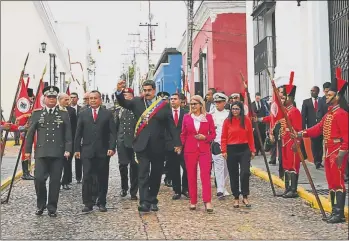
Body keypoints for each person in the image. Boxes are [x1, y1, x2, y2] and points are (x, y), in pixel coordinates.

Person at [115, 80, 180, 212]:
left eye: (149, 90)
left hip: (158, 146)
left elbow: (171, 126)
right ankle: (144, 202)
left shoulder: (163, 105)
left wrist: (177, 142)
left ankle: (152, 199)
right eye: (145, 90)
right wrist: (119, 91)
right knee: (142, 173)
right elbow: (123, 103)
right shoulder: (137, 102)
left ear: (154, 90)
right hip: (141, 145)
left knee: (156, 175)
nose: (147, 93)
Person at [294, 77, 348, 224]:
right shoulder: (328, 114)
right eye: (326, 95)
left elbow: (346, 136)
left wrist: (342, 153)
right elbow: (317, 129)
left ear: (337, 97)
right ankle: (334, 211)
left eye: (330, 95)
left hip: (336, 152)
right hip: (328, 152)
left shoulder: (342, 114)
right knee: (331, 182)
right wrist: (300, 133)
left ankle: (339, 213)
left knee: (338, 182)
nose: (326, 97)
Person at [25, 86, 72, 217]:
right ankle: (41, 205)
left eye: (53, 97)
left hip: (58, 153)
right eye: (49, 97)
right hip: (41, 152)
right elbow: (30, 133)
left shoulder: (63, 114)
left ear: (56, 99)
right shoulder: (37, 114)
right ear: (44, 99)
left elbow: (68, 134)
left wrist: (68, 149)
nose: (51, 99)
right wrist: (27, 151)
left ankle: (52, 207)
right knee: (39, 179)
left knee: (55, 181)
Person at [74, 90, 116, 213]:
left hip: (103, 151)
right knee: (87, 177)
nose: (92, 100)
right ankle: (88, 203)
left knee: (102, 177)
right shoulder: (83, 114)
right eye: (90, 98)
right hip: (87, 151)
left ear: (100, 100)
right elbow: (78, 133)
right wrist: (77, 149)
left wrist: (112, 147)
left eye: (95, 98)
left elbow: (112, 133)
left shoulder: (107, 114)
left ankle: (101, 202)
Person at [180, 95, 216, 213]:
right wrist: (180, 145)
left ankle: (207, 201)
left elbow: (213, 134)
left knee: (205, 175)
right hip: (190, 150)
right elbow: (183, 134)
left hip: (204, 150)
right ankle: (193, 200)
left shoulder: (208, 117)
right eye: (191, 104)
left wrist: (205, 137)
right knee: (191, 175)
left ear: (201, 105)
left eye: (195, 104)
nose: (193, 106)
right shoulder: (186, 117)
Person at [221, 101, 255, 208]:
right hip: (231, 149)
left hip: (244, 148)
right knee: (233, 174)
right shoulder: (227, 121)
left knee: (245, 172)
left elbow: (250, 136)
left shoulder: (246, 120)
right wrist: (224, 150)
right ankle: (236, 197)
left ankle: (245, 196)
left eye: (237, 109)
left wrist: (252, 149)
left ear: (241, 110)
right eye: (233, 109)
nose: (235, 111)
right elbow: (223, 137)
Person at [115, 88, 138, 200]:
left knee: (134, 166)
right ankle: (124, 187)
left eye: (127, 95)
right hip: (122, 141)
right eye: (123, 95)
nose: (125, 97)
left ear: (132, 96)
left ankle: (133, 191)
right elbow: (115, 126)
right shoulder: (118, 110)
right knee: (122, 165)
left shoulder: (136, 108)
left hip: (134, 141)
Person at [165, 93, 189, 200]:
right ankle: (177, 190)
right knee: (174, 169)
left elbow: (187, 130)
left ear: (180, 101)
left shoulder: (186, 113)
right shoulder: (166, 114)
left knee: (187, 167)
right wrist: (174, 144)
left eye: (175, 99)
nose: (172, 101)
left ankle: (185, 188)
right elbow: (165, 131)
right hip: (171, 146)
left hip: (184, 145)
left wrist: (181, 144)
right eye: (171, 99)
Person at [211, 92, 230, 199]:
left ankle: (224, 186)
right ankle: (220, 189)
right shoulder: (211, 115)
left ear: (224, 102)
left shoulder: (229, 114)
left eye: (219, 102)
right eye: (216, 102)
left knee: (226, 167)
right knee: (218, 167)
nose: (217, 104)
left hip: (228, 144)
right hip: (216, 143)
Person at [58, 93, 77, 190]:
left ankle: (65, 181)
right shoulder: (55, 110)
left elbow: (74, 126)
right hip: (58, 142)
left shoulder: (72, 111)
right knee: (58, 164)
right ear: (60, 100)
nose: (68, 101)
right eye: (65, 99)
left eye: (68, 99)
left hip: (69, 141)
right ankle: (56, 182)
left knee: (67, 162)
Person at [301, 86, 323, 169]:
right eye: (311, 91)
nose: (312, 92)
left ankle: (319, 160)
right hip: (311, 126)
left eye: (314, 91)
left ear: (318, 92)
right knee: (314, 143)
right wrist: (303, 127)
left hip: (321, 126)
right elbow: (303, 115)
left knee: (320, 144)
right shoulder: (306, 102)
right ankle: (316, 161)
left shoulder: (322, 100)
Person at [69, 92, 82, 183]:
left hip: (79, 138)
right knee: (68, 160)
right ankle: (68, 179)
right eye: (71, 97)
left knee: (79, 159)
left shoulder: (82, 109)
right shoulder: (66, 110)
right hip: (69, 138)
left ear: (77, 99)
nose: (73, 99)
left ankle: (78, 177)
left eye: (74, 97)